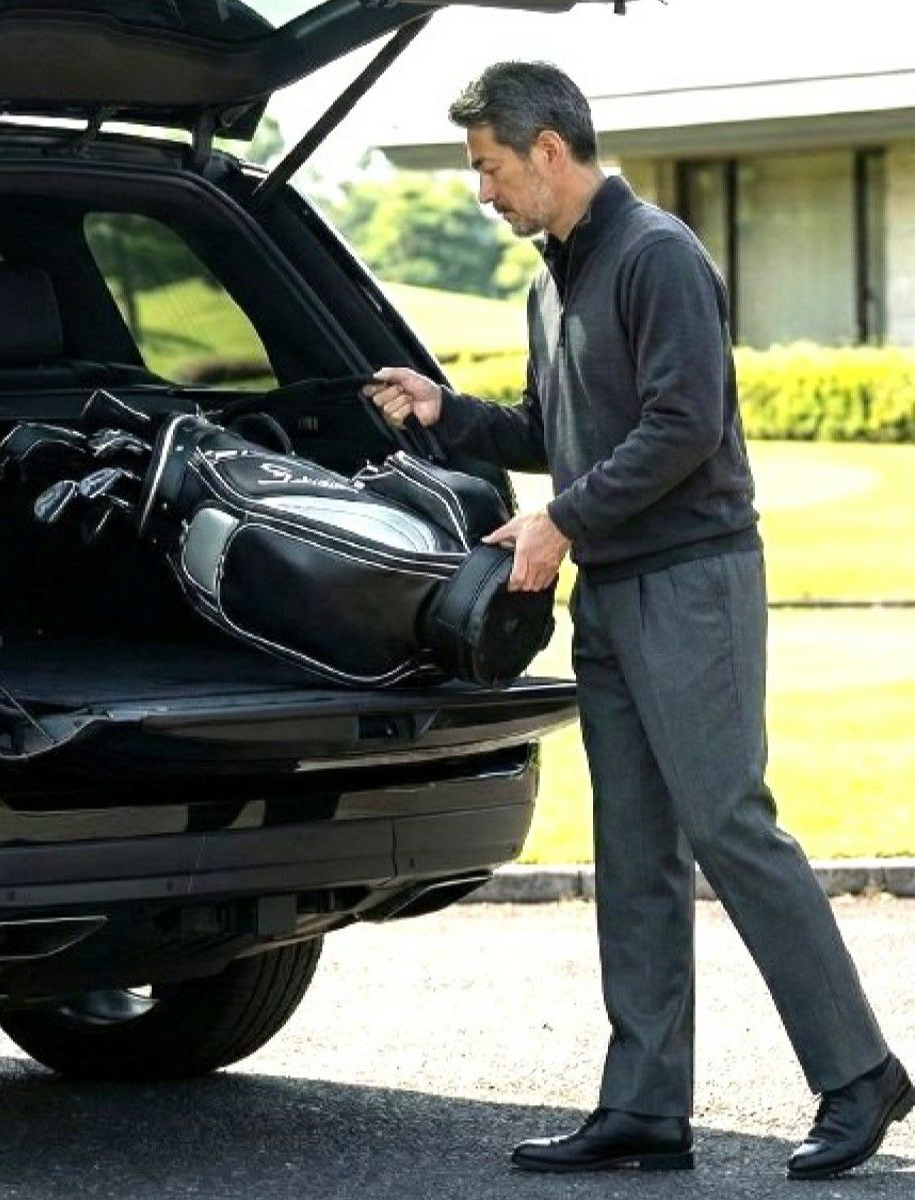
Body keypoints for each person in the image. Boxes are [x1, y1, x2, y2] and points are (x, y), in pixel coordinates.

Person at [364, 61, 912, 1180]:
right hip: (611, 594)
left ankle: (860, 1074)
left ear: (547, 149)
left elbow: (682, 424)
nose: (483, 193)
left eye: (490, 168)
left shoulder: (657, 254)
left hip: (692, 581)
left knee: (729, 826)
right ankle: (646, 1105)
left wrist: (559, 520)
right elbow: (556, 425)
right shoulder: (551, 279)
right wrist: (446, 411)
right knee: (634, 850)